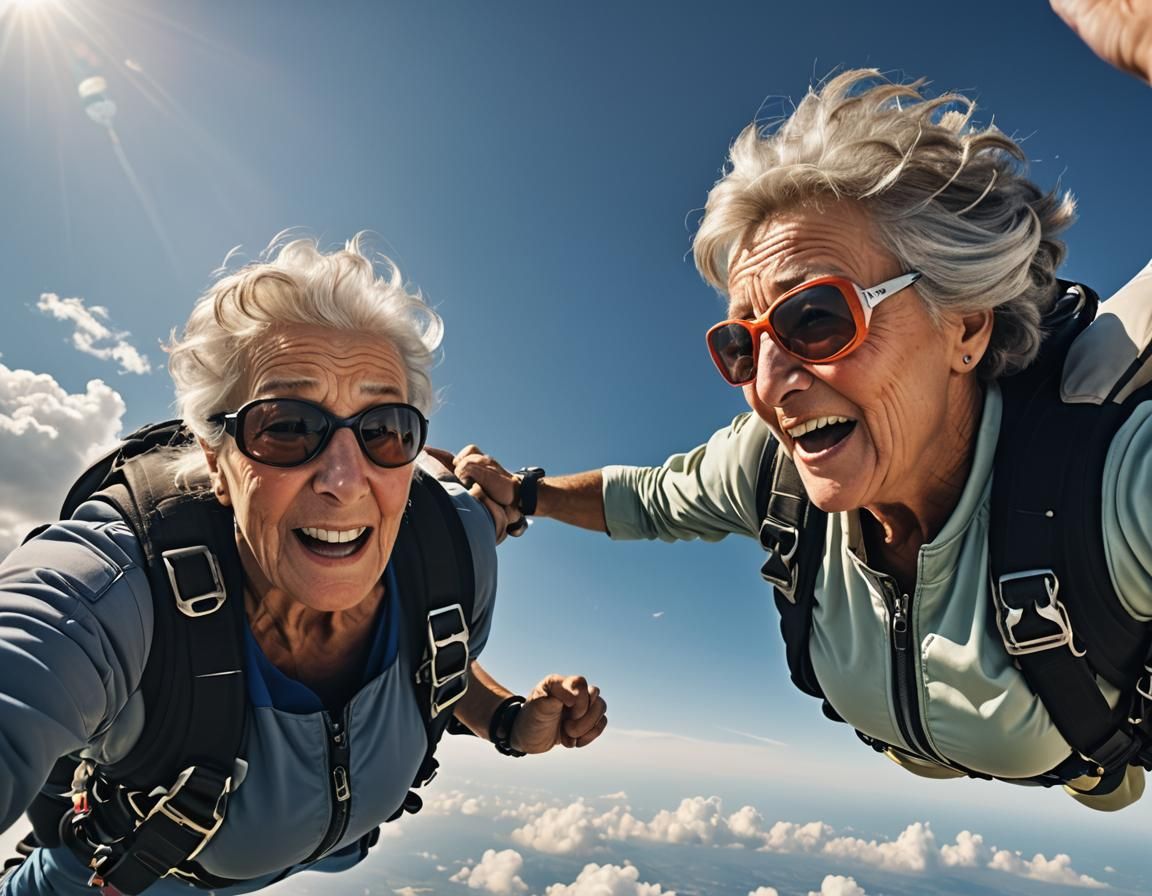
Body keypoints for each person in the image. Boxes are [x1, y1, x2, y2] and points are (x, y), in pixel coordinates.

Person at [448, 1, 1152, 810]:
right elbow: (646, 499)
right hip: (936, 739)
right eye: (739, 344)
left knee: (1095, 773)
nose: (769, 382)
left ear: (964, 327)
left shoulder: (1110, 491)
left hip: (1075, 746)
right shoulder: (767, 467)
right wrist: (527, 493)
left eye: (815, 317)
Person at [0, 234, 607, 895]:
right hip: (137, 873)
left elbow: (436, 653)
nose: (344, 480)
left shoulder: (454, 549)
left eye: (384, 430)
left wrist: (507, 722)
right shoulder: (120, 585)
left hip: (330, 847)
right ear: (216, 458)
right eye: (286, 427)